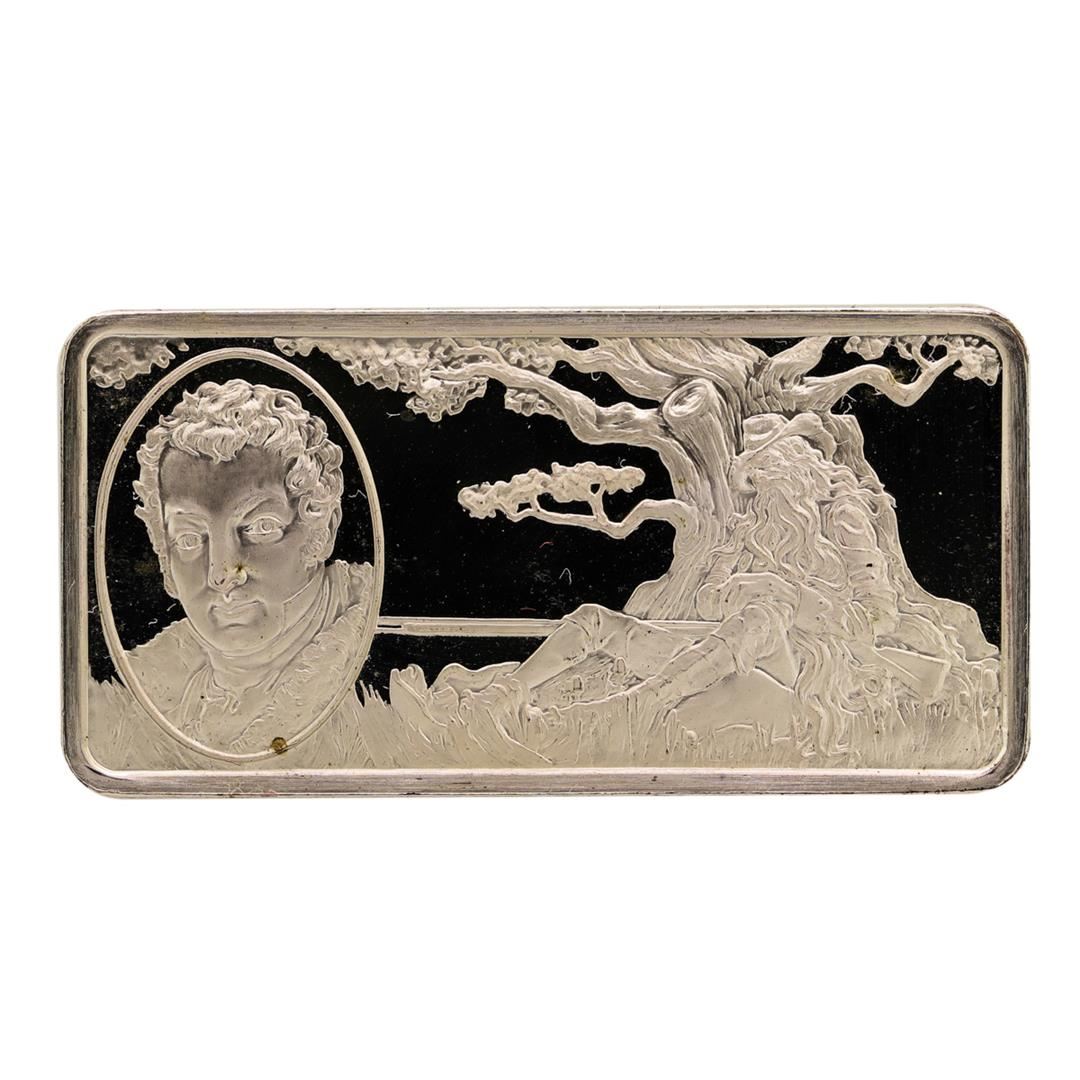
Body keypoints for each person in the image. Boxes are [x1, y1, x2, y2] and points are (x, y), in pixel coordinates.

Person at [89, 379, 381, 768]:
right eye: (189, 538)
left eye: (260, 528)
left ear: (322, 531)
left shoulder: (404, 697)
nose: (223, 573)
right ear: (164, 557)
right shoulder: (125, 706)